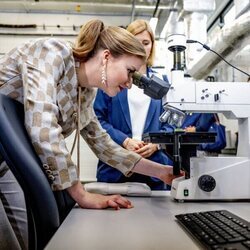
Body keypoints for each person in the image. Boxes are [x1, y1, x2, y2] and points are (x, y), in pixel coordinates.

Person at [0, 19, 181, 249]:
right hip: (7, 158)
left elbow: (104, 145)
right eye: (130, 72)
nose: (129, 84)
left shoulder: (85, 92)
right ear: (106, 56)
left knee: (22, 240)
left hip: (7, 165)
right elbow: (43, 128)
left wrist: (162, 172)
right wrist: (82, 195)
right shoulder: (52, 53)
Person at [94, 19, 173, 190]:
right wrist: (124, 141)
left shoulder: (162, 82)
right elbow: (97, 119)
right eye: (135, 43)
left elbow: (172, 123)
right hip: (115, 166)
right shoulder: (110, 78)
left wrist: (156, 143)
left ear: (152, 45)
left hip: (154, 164)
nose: (141, 48)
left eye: (145, 43)